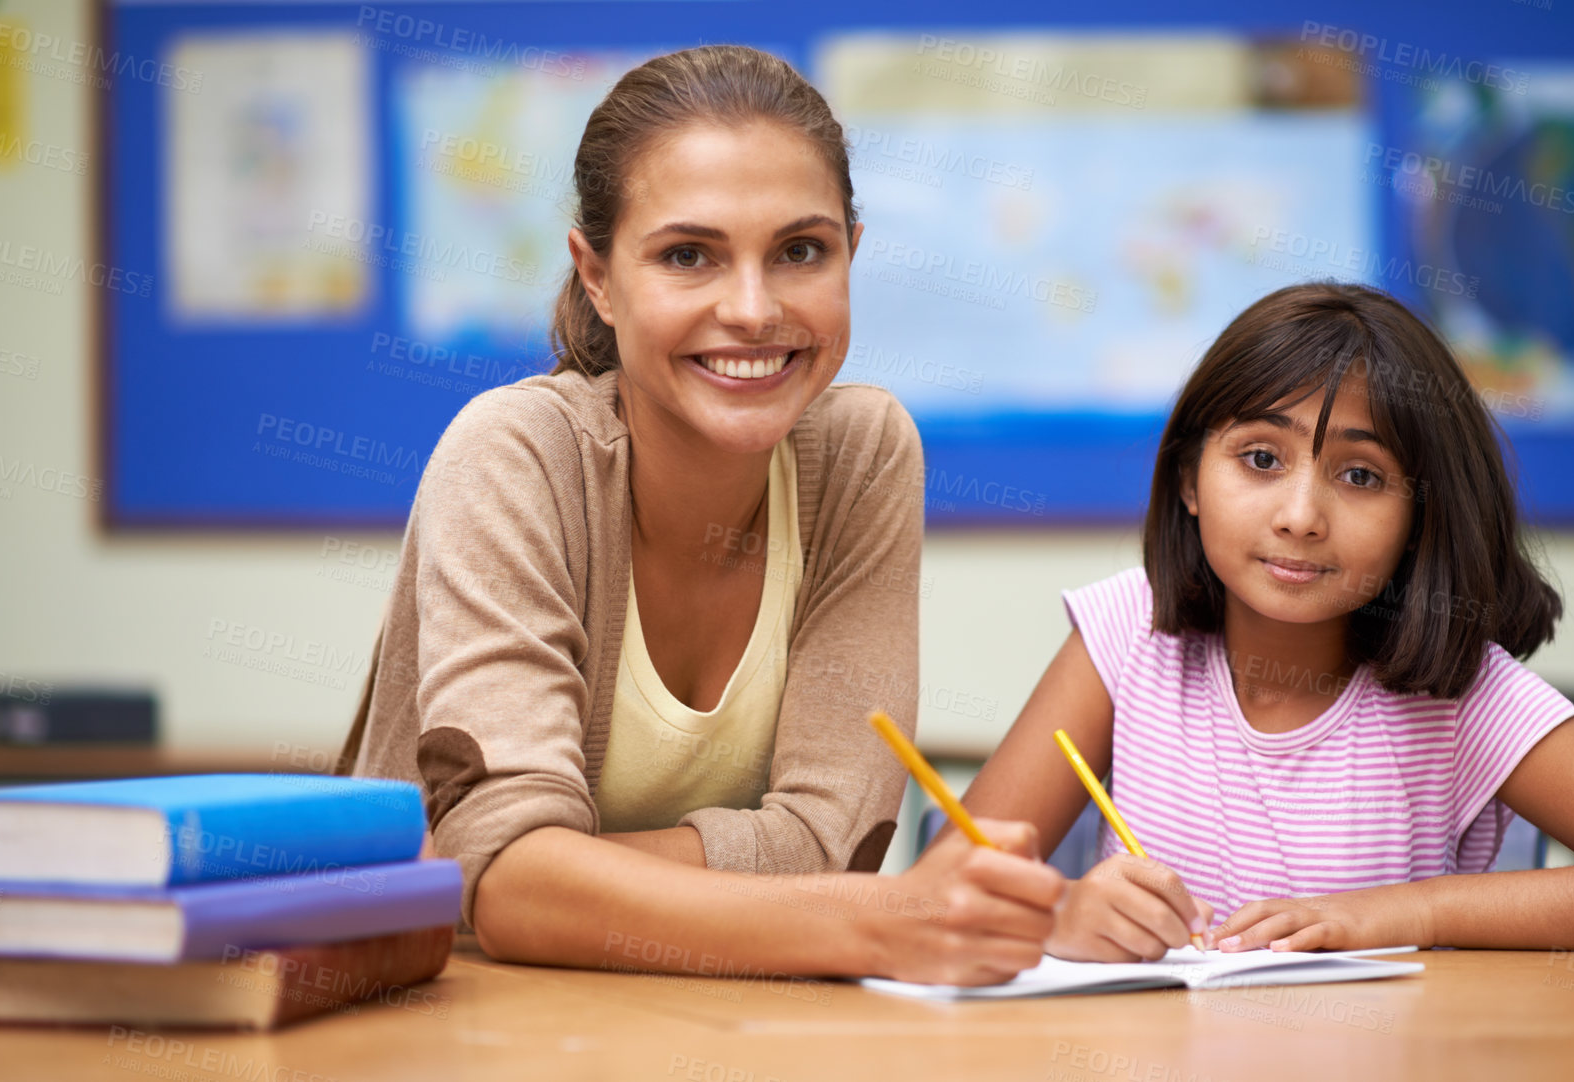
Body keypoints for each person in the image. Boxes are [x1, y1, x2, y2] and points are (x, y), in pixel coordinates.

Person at [340, 44, 1061, 985]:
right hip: (450, 1015)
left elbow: (837, 843)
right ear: (596, 275)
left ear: (852, 252)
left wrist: (544, 872)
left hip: (712, 1012)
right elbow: (510, 887)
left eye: (801, 251)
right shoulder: (515, 452)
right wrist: (872, 924)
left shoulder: (863, 452)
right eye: (689, 255)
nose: (754, 309)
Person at [939, 282, 1574, 960]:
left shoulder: (1463, 694)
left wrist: (1402, 911)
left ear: (1422, 515)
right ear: (1191, 480)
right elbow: (942, 890)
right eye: (1261, 459)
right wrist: (1060, 918)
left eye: (1360, 477)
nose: (1301, 515)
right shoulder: (1129, 632)